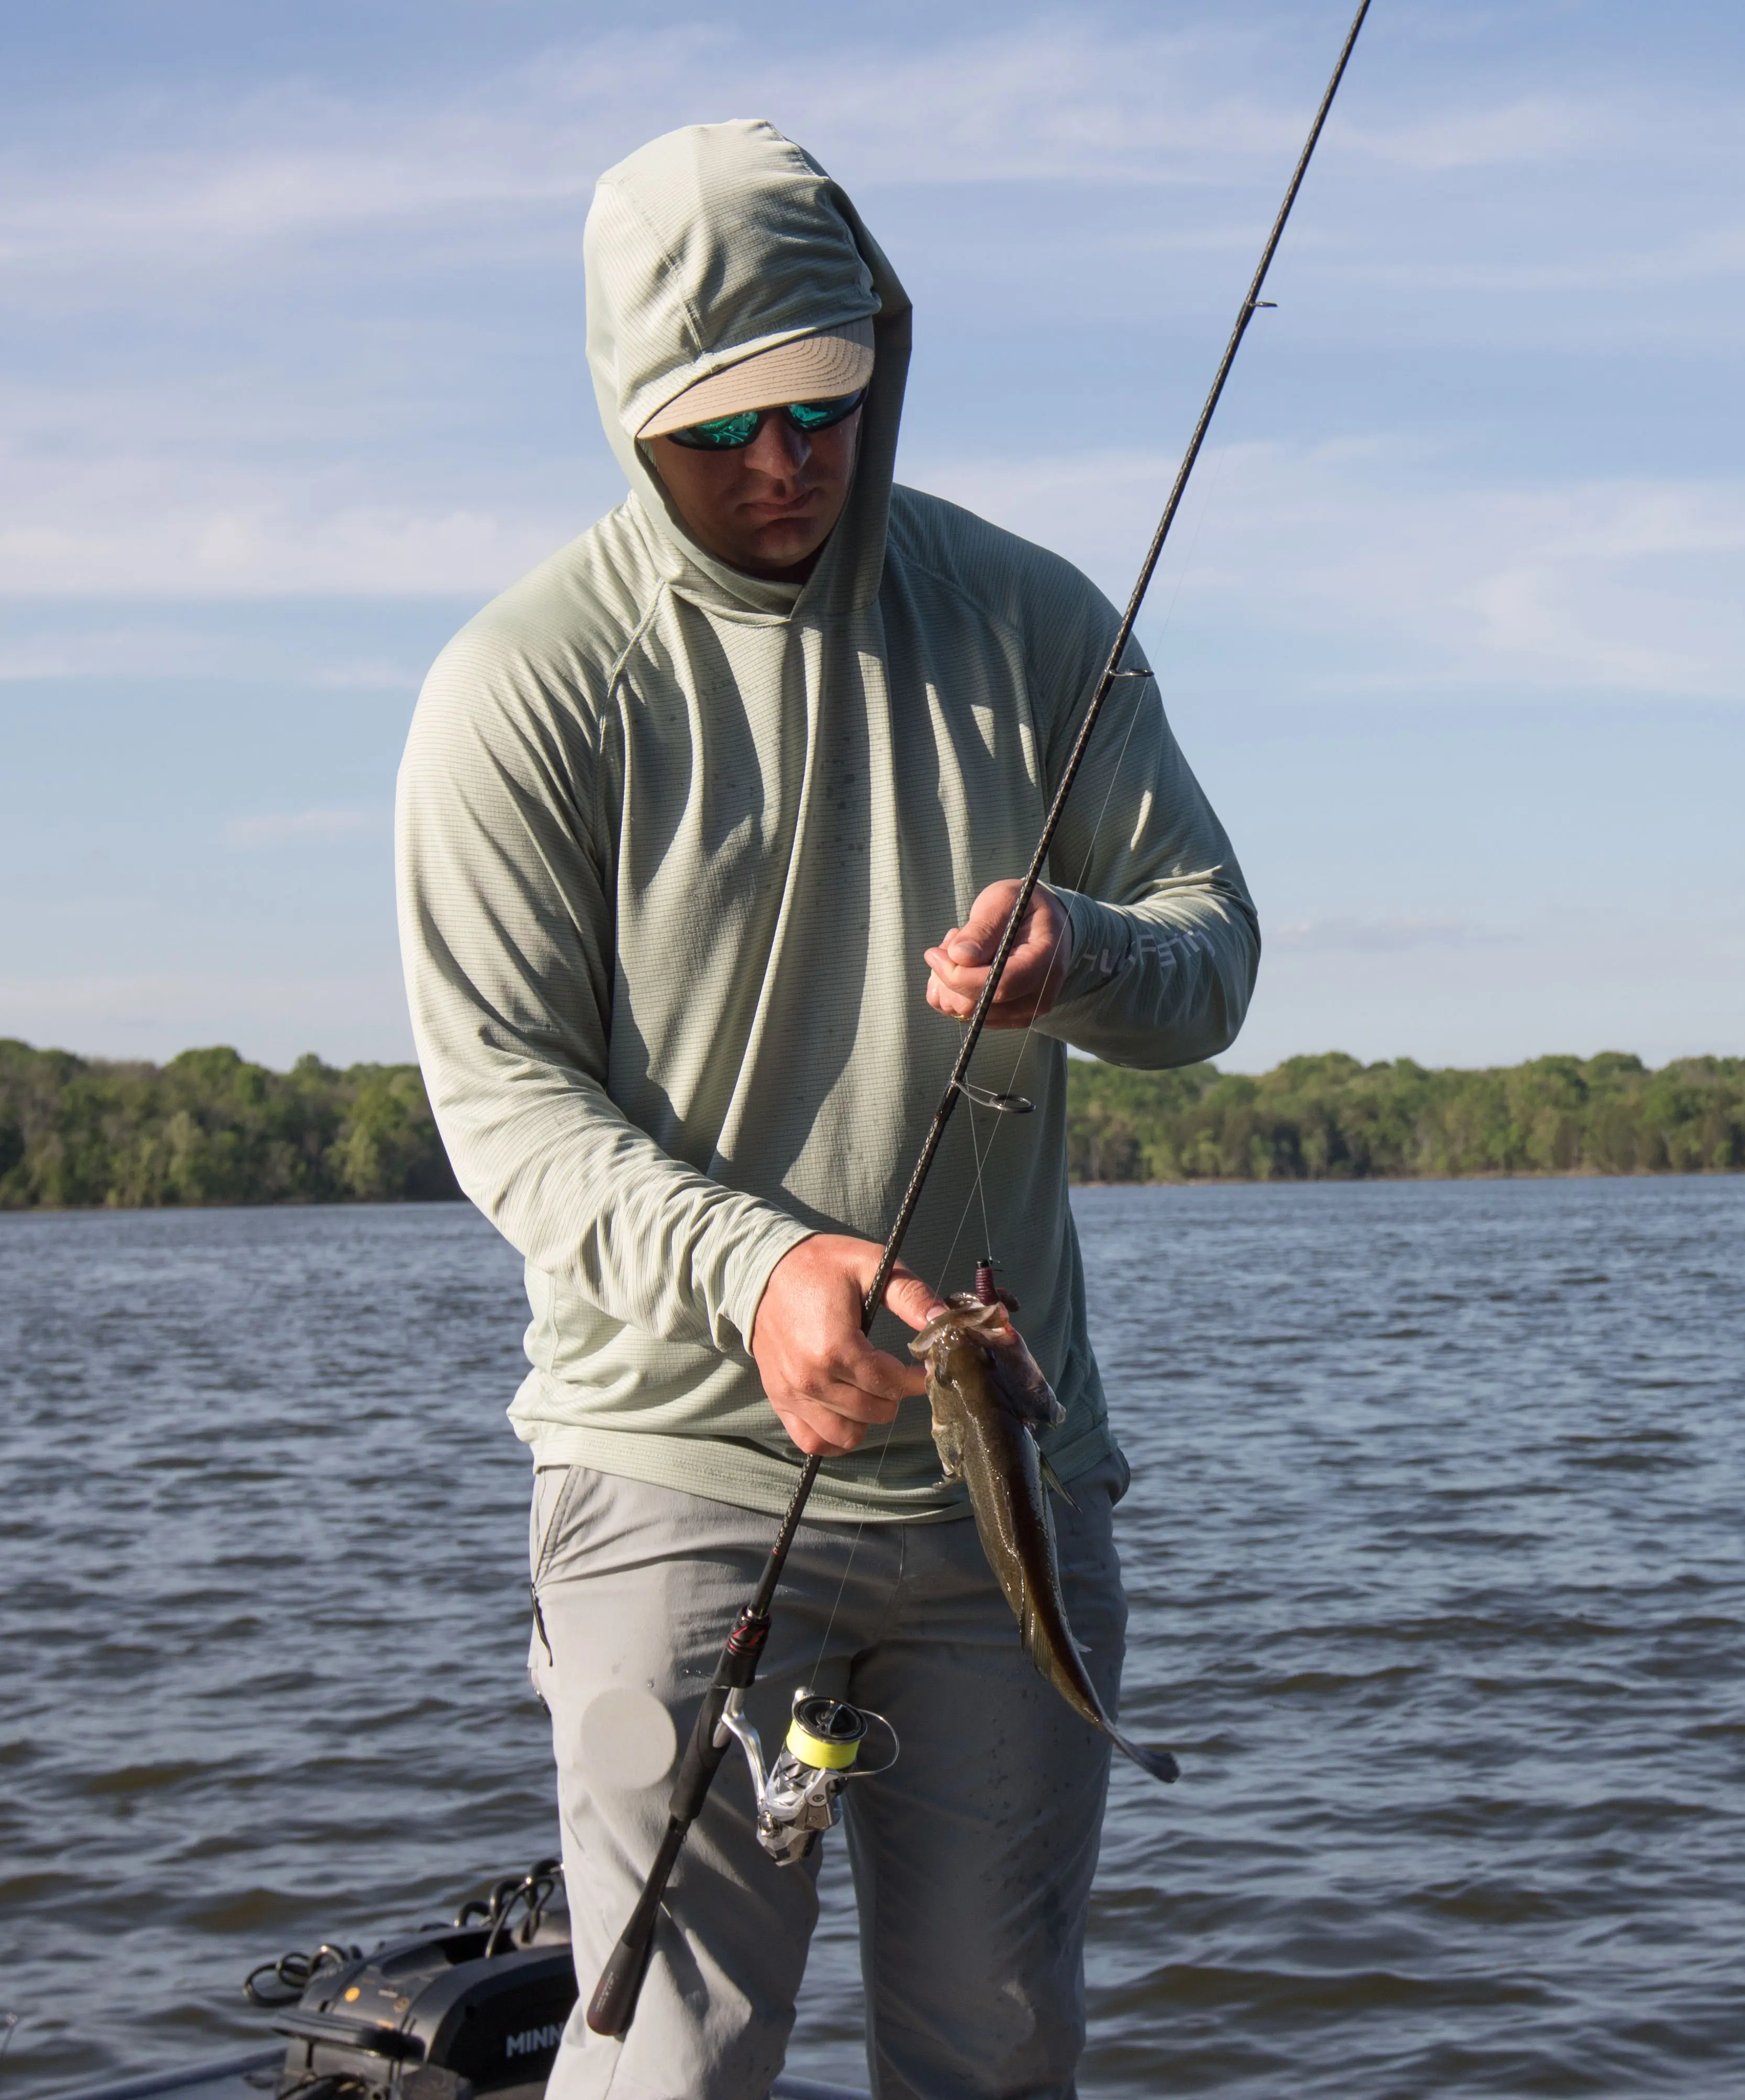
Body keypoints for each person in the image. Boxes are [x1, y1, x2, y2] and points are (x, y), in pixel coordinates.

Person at [394, 120, 1256, 2100]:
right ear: (631, 418)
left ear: (879, 354)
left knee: (1001, 2050)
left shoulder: (1033, 626)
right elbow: (505, 1101)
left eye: (823, 402)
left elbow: (1214, 950)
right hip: (674, 1478)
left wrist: (1089, 956)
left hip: (1005, 1493)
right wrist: (765, 1268)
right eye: (724, 427)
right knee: (670, 2065)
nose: (784, 460)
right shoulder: (527, 689)